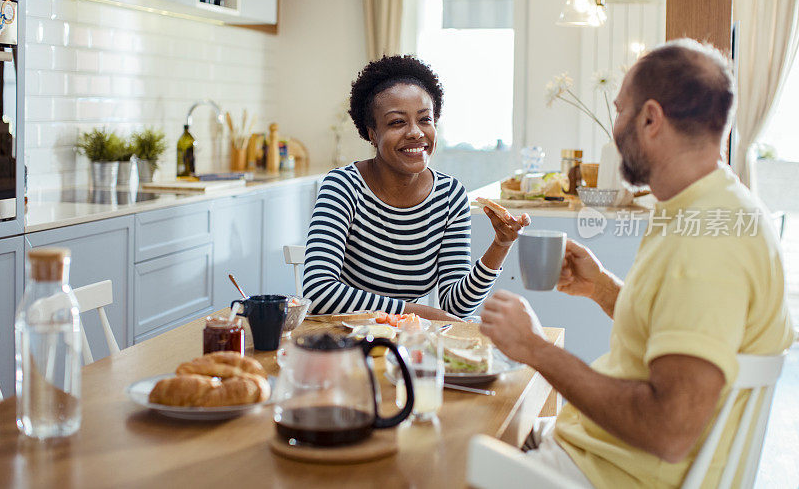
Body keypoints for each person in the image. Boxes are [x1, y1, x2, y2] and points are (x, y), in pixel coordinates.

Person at [479, 39, 795, 487]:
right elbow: (677, 324)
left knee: (440, 457)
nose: (615, 127)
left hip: (609, 475)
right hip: (598, 454)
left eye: (619, 111)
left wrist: (535, 349)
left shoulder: (709, 242)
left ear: (649, 119)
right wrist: (602, 289)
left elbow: (669, 431)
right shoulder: (702, 209)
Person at [303, 55, 530, 320]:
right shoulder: (343, 186)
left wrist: (501, 245)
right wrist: (420, 313)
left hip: (410, 344)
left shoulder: (449, 195)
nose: (416, 133)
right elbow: (318, 292)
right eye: (397, 122)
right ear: (373, 133)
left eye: (425, 119)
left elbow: (456, 308)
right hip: (345, 344)